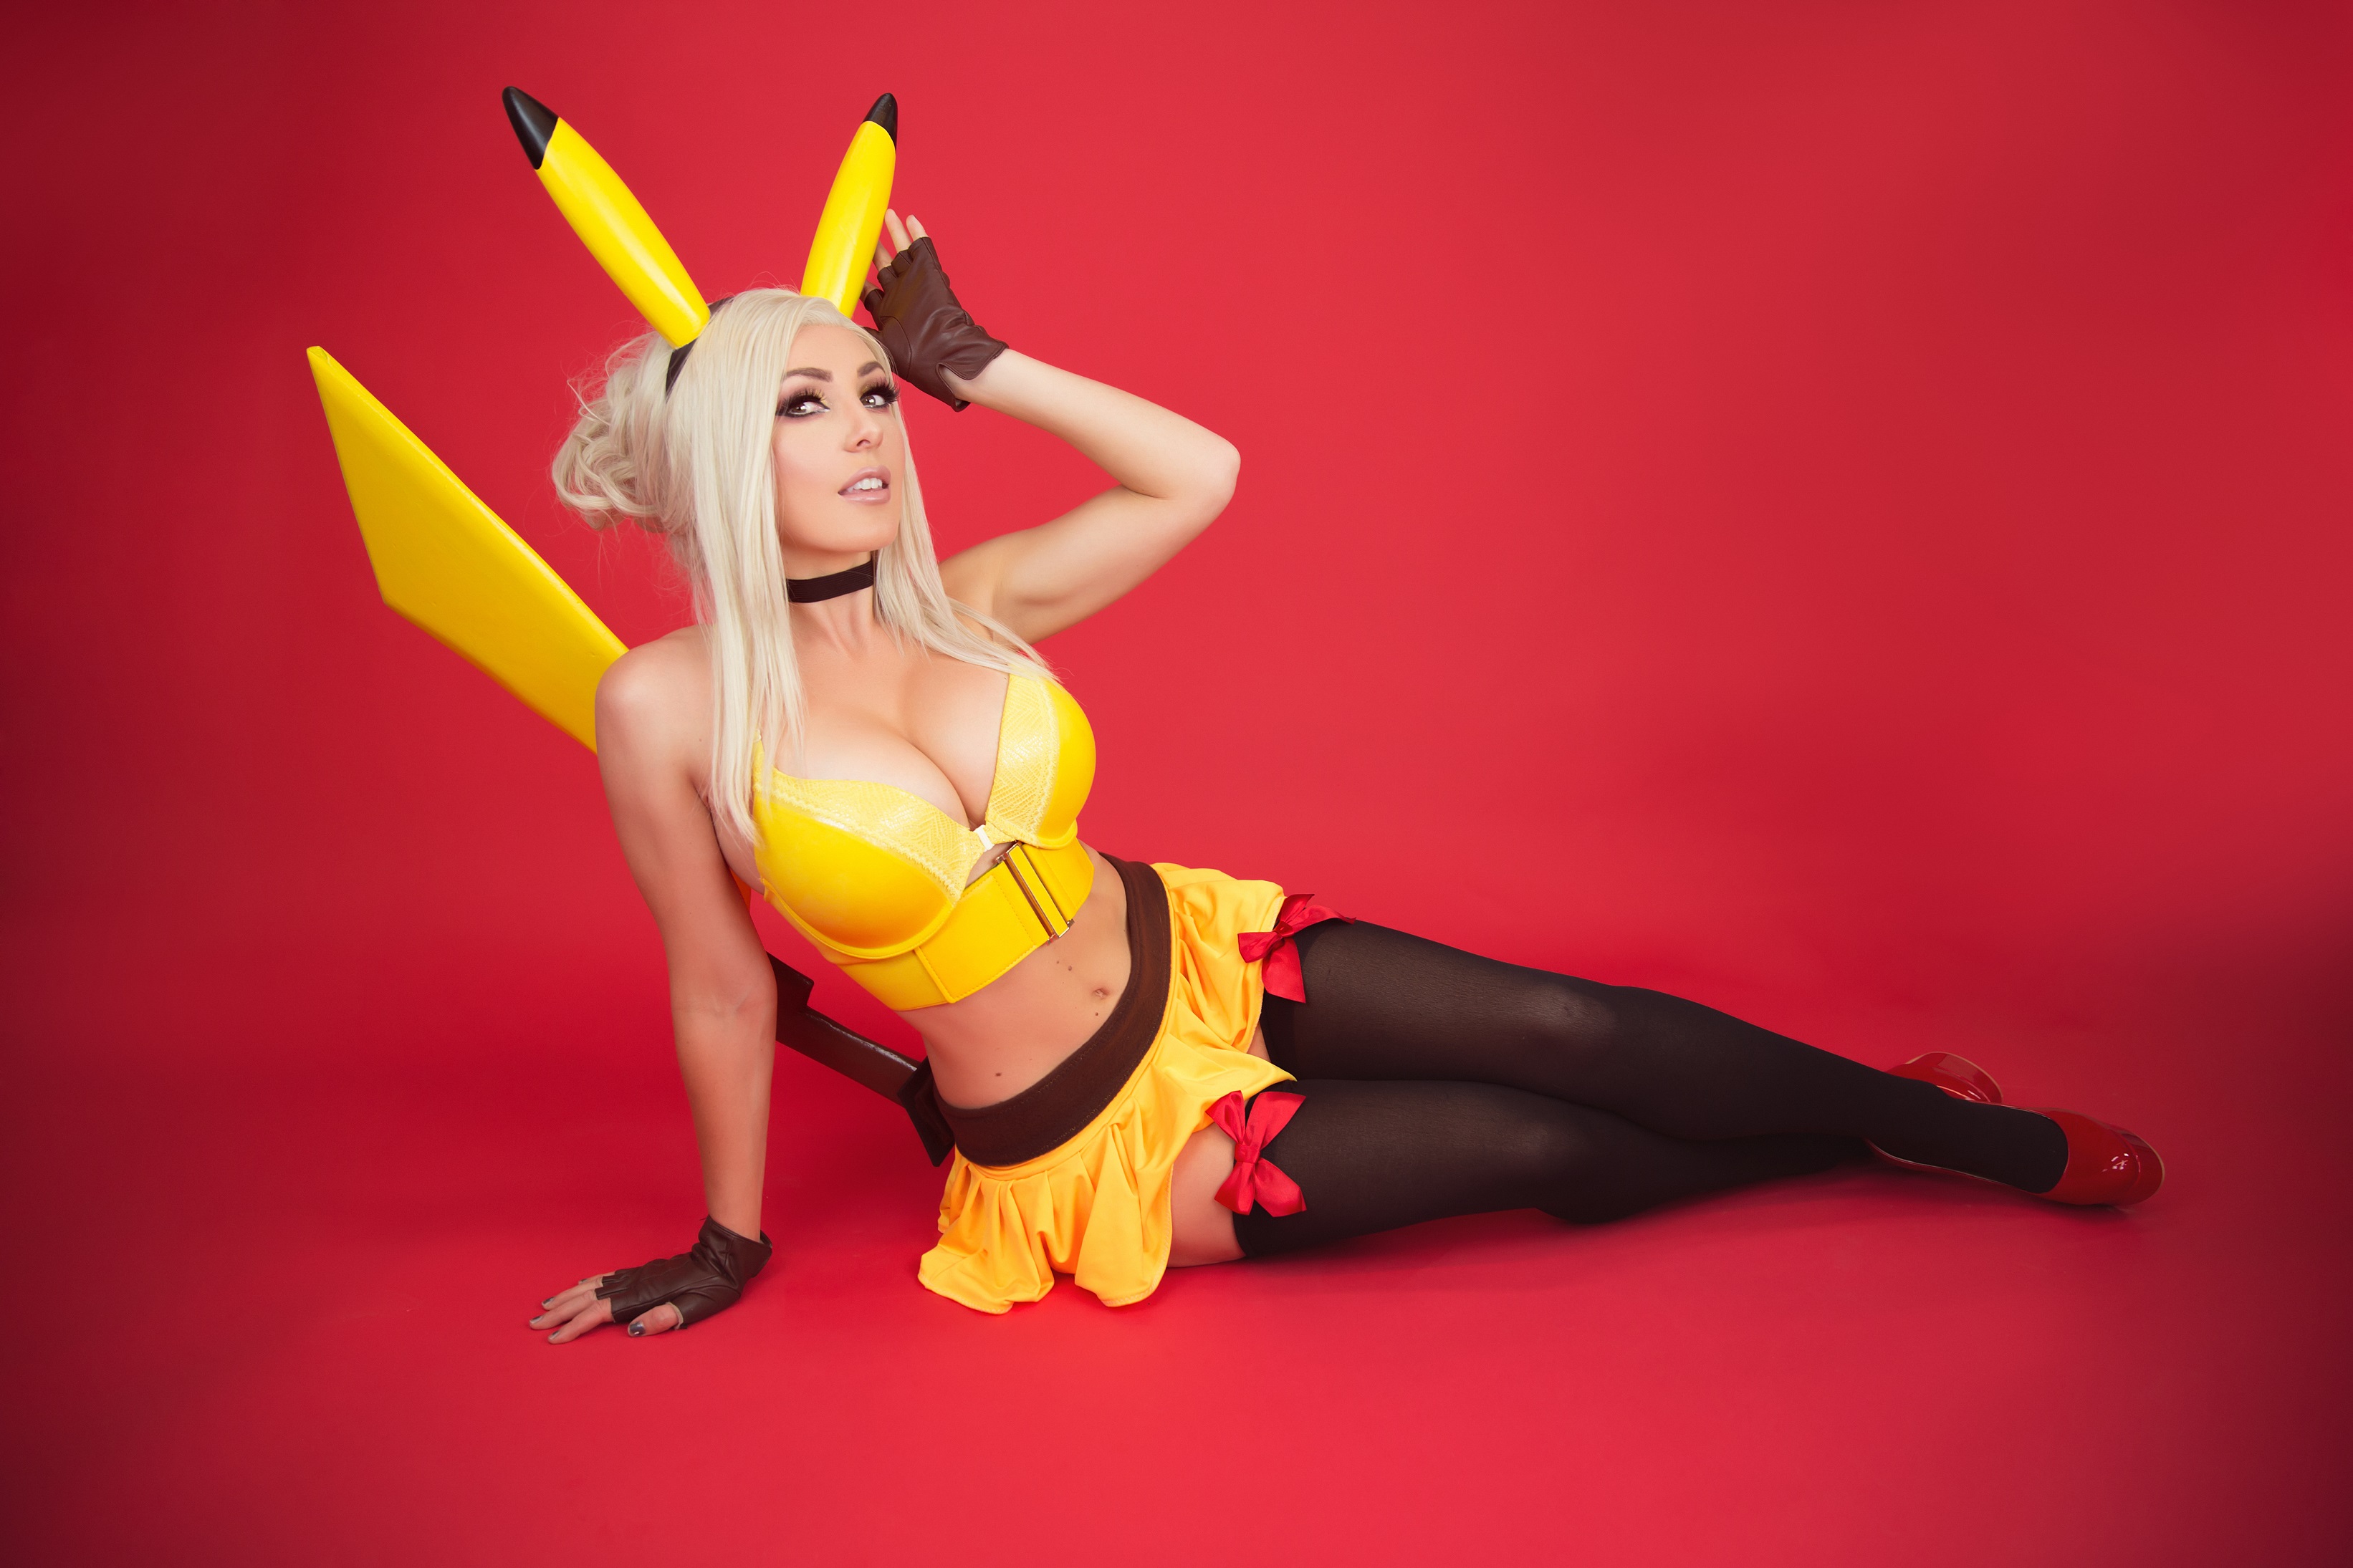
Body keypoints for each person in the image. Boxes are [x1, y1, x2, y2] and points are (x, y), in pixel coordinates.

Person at [527, 214, 2162, 1341]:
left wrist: (977, 358)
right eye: (807, 405)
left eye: (878, 392)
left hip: (1194, 952)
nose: (870, 430)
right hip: (1073, 1137)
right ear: (718, 457)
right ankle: (1884, 1130)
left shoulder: (972, 601)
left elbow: (1199, 475)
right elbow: (723, 988)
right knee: (1531, 1147)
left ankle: (1950, 1130)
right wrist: (729, 1237)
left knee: (1575, 1028)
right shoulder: (665, 707)